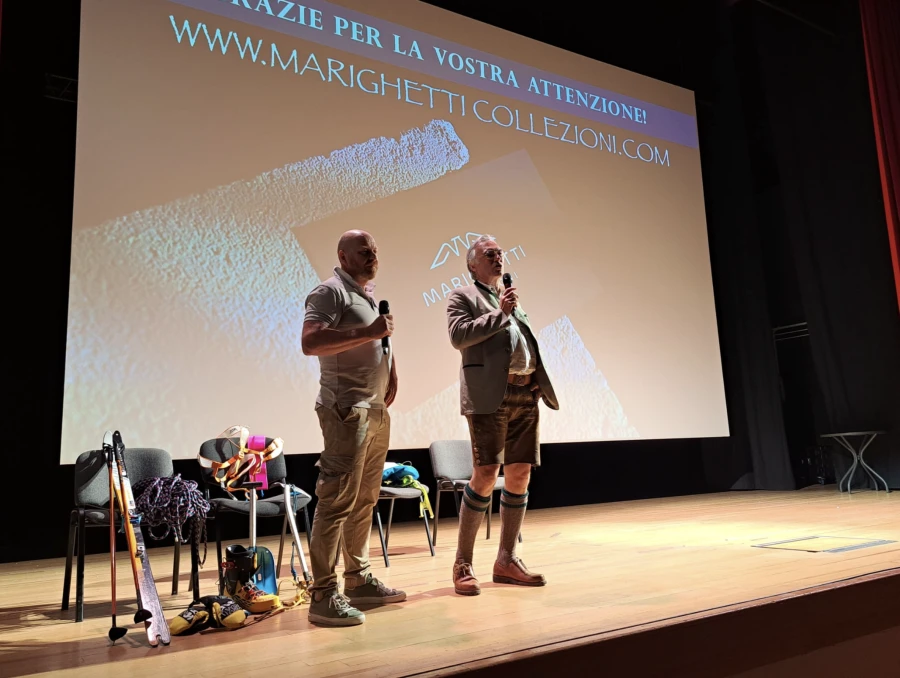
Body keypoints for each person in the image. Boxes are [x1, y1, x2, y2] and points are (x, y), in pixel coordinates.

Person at [446, 234, 559, 596]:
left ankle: (507, 559)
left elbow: (523, 343)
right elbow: (459, 336)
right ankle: (463, 563)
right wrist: (501, 313)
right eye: (490, 254)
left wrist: (535, 377)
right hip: (489, 397)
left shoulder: (509, 299)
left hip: (525, 393)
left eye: (500, 254)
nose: (498, 258)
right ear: (472, 264)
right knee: (485, 473)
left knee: (521, 473)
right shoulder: (463, 296)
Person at [301, 229, 404, 626]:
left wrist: (391, 367)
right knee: (336, 501)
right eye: (363, 251)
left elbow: (374, 341)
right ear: (343, 256)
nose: (372, 255)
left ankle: (358, 580)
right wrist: (370, 332)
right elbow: (311, 342)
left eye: (374, 249)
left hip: (373, 409)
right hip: (346, 410)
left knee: (364, 500)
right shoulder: (330, 292)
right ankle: (323, 594)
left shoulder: (365, 294)